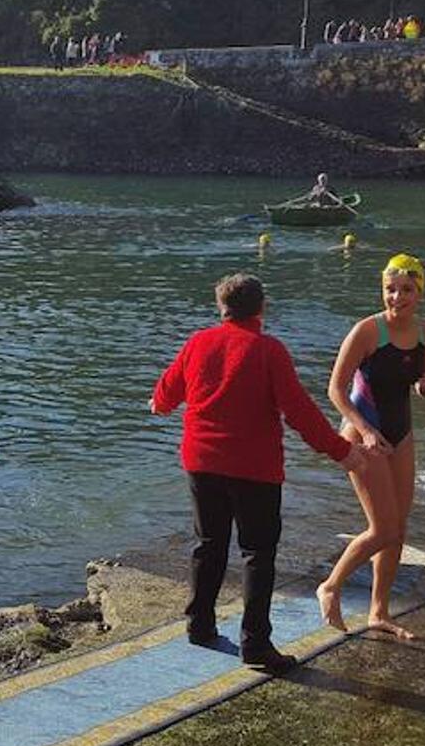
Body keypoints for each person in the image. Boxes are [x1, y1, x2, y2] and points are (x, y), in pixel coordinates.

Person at [152, 274, 366, 673]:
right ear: (261, 308)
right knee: (257, 554)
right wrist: (342, 452)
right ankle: (255, 644)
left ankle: (199, 625)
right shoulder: (269, 350)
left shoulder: (199, 342)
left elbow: (168, 389)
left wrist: (160, 404)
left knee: (209, 544)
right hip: (255, 470)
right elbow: (299, 411)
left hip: (202, 462)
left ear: (222, 308)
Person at [316, 255, 425, 641]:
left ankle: (378, 612)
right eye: (390, 289)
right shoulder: (367, 331)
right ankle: (331, 586)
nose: (397, 297)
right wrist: (366, 430)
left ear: (419, 292)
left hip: (400, 434)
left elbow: (420, 381)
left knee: (397, 529)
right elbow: (335, 390)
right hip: (362, 434)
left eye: (406, 290)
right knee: (383, 528)